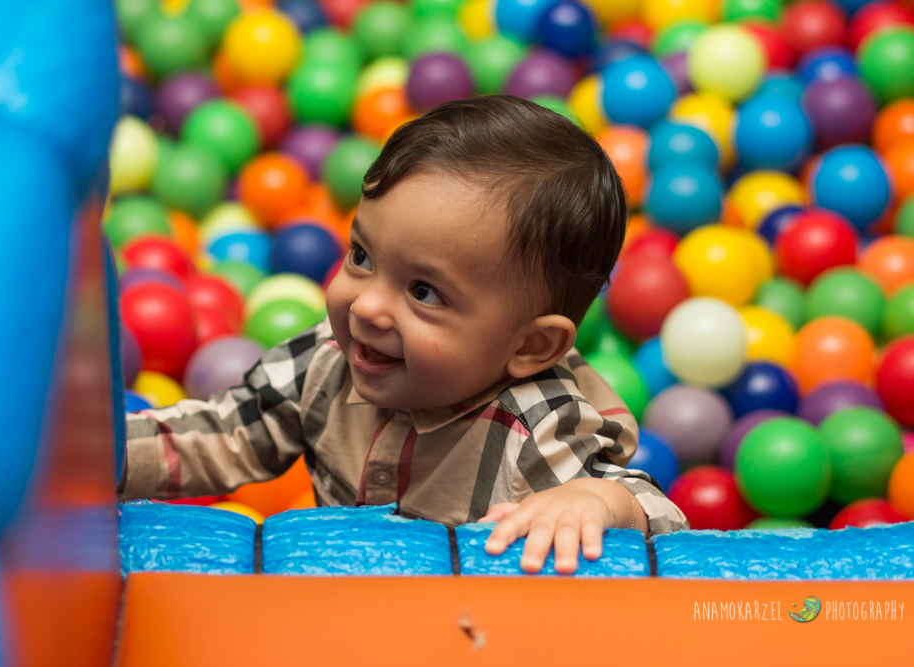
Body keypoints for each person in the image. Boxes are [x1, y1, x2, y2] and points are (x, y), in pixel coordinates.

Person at [120, 95, 689, 575]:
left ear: (529, 347)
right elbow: (223, 434)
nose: (366, 306)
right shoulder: (328, 360)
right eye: (362, 256)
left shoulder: (536, 428)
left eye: (423, 292)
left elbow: (664, 527)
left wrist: (595, 499)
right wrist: (105, 453)